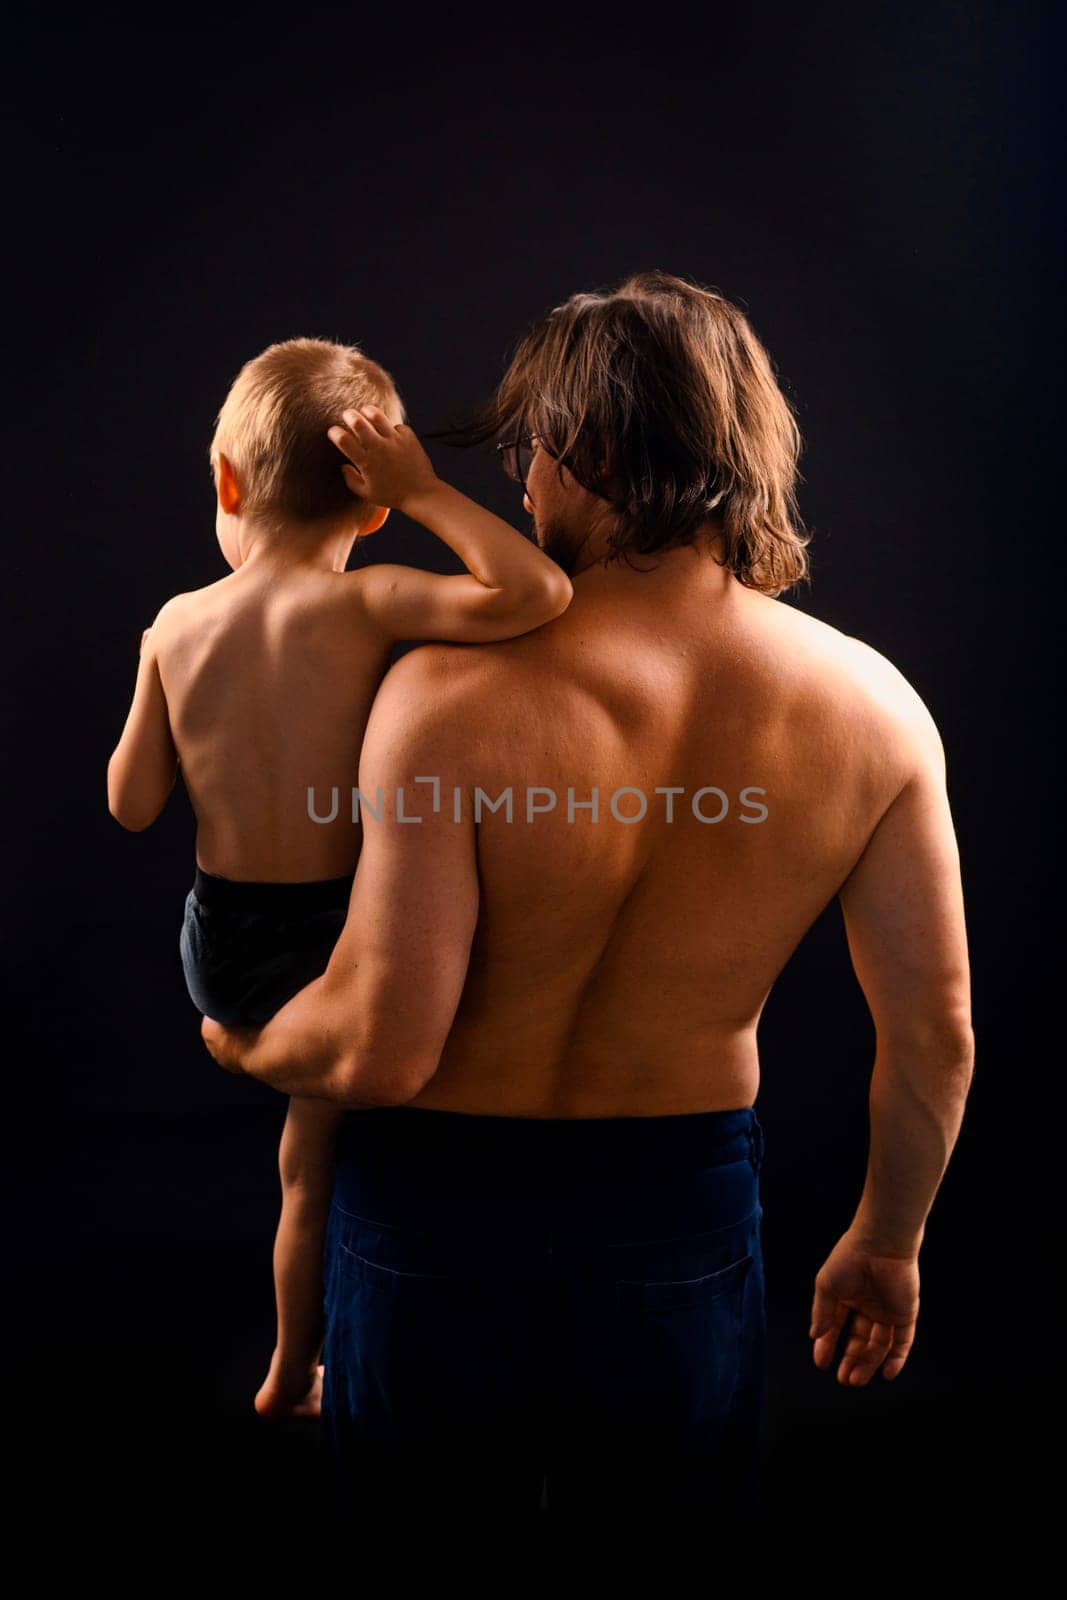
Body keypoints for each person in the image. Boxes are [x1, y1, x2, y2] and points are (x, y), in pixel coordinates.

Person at [201, 273, 975, 1520]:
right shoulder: (873, 710)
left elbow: (384, 1048)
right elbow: (934, 1035)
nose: (520, 483)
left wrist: (245, 1042)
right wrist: (886, 1239)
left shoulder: (445, 698)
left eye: (532, 451)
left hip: (436, 1207)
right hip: (674, 1204)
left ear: (596, 451)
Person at [105, 336, 573, 1420]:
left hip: (221, 944)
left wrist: (153, 673)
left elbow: (130, 806)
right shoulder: (372, 603)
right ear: (367, 511)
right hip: (341, 936)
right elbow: (535, 590)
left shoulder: (175, 627)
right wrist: (426, 491)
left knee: (309, 1158)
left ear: (225, 480)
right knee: (328, 1160)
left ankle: (290, 1372)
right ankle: (314, 1368)